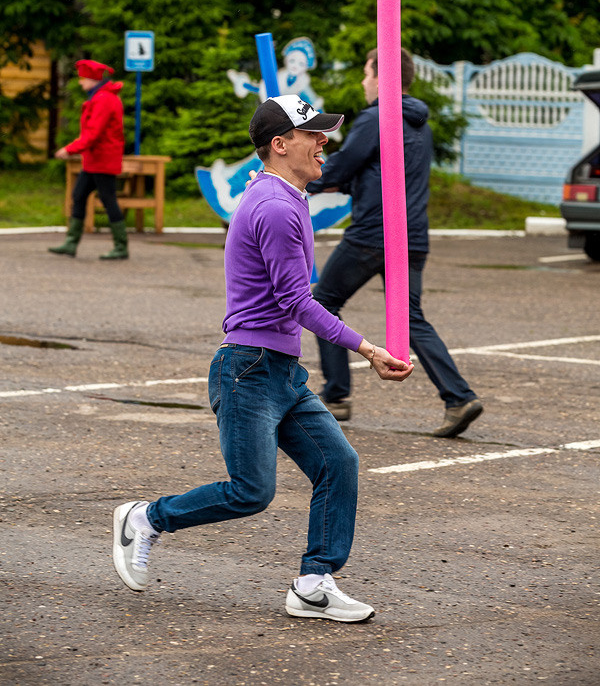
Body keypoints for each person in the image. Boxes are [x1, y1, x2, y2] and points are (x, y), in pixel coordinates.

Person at [112, 94, 413, 622]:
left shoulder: (285, 196)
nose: (324, 141)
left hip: (279, 371)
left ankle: (314, 583)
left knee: (338, 463)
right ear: (279, 145)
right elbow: (297, 302)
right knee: (252, 491)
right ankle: (147, 517)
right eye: (312, 134)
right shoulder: (274, 207)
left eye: (324, 133)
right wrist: (366, 348)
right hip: (248, 370)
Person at [307, 48, 483, 438]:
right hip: (412, 235)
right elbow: (372, 172)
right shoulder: (419, 123)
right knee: (411, 318)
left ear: (380, 76)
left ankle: (336, 396)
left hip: (374, 233)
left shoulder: (376, 118)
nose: (363, 82)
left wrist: (299, 177)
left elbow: (344, 163)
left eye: (366, 73)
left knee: (323, 302)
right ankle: (459, 397)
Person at [48, 59, 128, 260]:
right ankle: (71, 243)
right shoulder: (100, 97)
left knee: (108, 200)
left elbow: (94, 134)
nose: (80, 82)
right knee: (79, 195)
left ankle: (121, 246)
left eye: (83, 78)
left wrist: (70, 149)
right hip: (94, 160)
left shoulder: (103, 99)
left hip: (103, 160)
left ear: (93, 79)